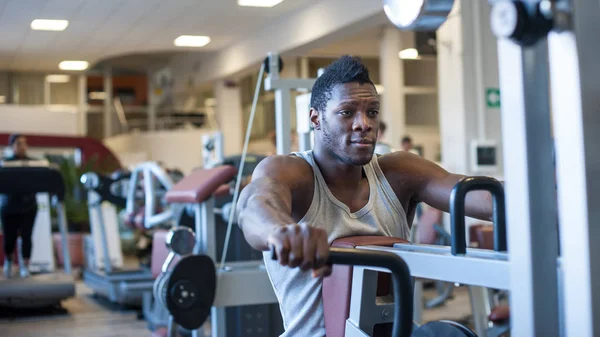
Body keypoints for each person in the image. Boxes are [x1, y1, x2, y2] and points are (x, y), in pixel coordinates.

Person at [235, 56, 496, 336]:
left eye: (372, 112)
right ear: (316, 118)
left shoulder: (398, 172)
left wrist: (541, 199)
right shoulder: (293, 173)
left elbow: (485, 197)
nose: (364, 123)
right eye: (347, 113)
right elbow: (255, 204)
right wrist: (280, 232)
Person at [1, 134, 39, 278]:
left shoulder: (34, 164)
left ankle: (25, 266)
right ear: (12, 146)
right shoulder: (5, 163)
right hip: (9, 208)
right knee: (9, 238)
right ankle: (9, 261)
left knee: (27, 237)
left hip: (29, 207)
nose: (22, 146)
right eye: (18, 143)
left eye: (24, 143)